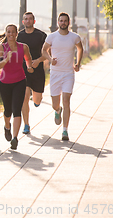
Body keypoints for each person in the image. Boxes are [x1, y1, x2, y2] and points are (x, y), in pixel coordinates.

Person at [42, 12, 83, 141]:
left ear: (68, 23)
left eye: (65, 21)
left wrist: (78, 63)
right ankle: (57, 110)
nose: (63, 23)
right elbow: (43, 50)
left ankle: (65, 130)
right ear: (58, 22)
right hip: (55, 73)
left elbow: (80, 49)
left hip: (68, 74)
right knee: (55, 104)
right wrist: (49, 59)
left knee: (66, 101)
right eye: (61, 21)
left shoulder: (74, 37)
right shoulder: (52, 37)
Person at [0, 24, 34, 150]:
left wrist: (29, 66)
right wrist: (6, 59)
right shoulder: (2, 48)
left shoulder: (24, 47)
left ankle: (15, 138)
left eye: (13, 32)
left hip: (20, 81)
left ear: (17, 34)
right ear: (6, 34)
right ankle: (7, 127)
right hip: (5, 83)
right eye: (8, 32)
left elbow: (28, 59)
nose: (11, 34)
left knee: (17, 110)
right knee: (7, 111)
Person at [17, 12, 47, 135]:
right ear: (23, 22)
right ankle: (26, 125)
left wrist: (38, 61)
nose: (28, 21)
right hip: (23, 70)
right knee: (24, 97)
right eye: (26, 19)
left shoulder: (41, 35)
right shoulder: (19, 36)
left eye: (30, 19)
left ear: (34, 21)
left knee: (37, 100)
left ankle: (37, 100)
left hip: (37, 70)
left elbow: (47, 53)